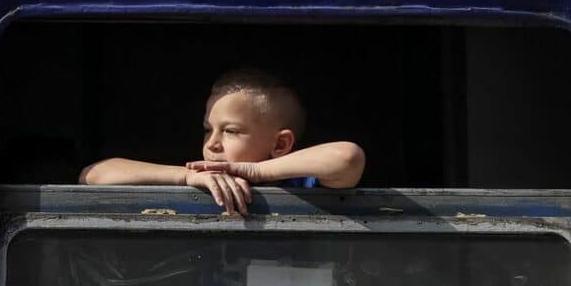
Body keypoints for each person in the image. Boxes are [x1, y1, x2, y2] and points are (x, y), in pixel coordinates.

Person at [78, 68, 365, 215]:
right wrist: (187, 177)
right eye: (207, 130)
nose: (212, 144)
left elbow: (347, 158)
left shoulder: (302, 186)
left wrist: (255, 172)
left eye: (230, 131)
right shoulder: (200, 179)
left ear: (280, 145)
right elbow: (93, 175)